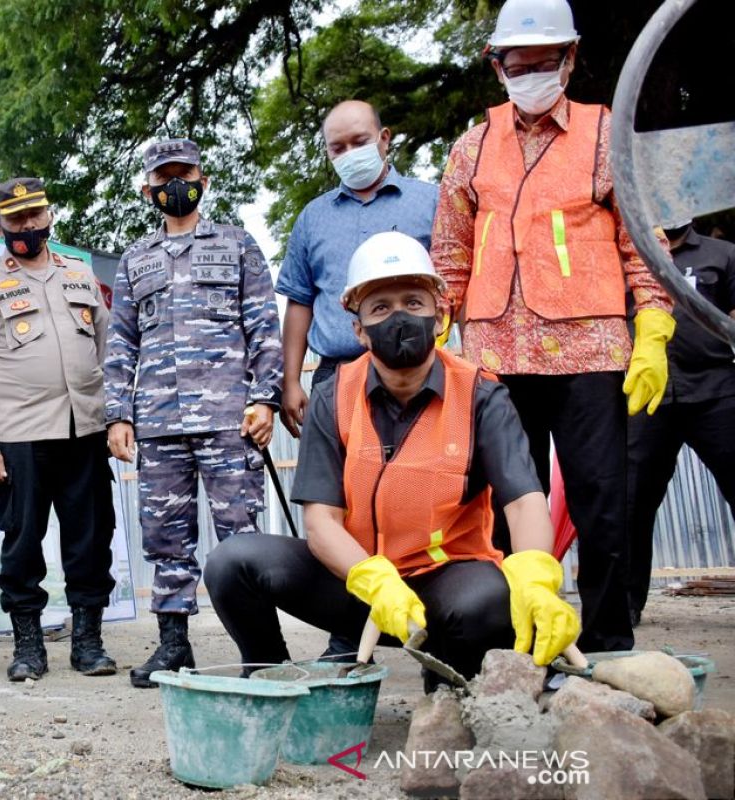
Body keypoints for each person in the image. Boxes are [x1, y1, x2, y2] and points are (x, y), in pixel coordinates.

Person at [204, 232, 581, 685]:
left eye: (414, 302)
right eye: (380, 307)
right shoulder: (333, 396)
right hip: (359, 582)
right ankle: (271, 681)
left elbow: (523, 500)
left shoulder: (481, 393)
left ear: (440, 315)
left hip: (447, 582)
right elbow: (322, 522)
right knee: (232, 562)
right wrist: (372, 579)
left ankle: (450, 680)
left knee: (490, 603)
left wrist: (538, 574)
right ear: (358, 329)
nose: (399, 316)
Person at [429, 0, 674, 652]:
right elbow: (449, 257)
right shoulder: (472, 147)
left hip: (589, 351)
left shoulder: (603, 134)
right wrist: (433, 333)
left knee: (603, 501)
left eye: (544, 61)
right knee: (509, 507)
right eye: (518, 63)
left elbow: (644, 247)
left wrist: (652, 331)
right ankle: (514, 645)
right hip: (496, 356)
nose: (531, 73)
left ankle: (606, 643)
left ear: (569, 59)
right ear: (497, 66)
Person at [104, 138, 283, 687]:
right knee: (165, 538)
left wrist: (264, 397)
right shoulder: (136, 259)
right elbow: (121, 343)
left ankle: (261, 648)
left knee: (241, 538)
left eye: (184, 174)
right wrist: (118, 413)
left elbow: (263, 328)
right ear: (147, 189)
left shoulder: (237, 244)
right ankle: (173, 647)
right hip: (158, 422)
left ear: (203, 180)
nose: (174, 185)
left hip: (230, 418)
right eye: (163, 177)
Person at [0, 177, 117, 681]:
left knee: (91, 539)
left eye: (34, 215)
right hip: (19, 434)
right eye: (15, 218)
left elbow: (109, 351)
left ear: (49, 215)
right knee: (22, 540)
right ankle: (28, 645)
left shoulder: (80, 275)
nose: (27, 226)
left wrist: (117, 418)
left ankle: (88, 641)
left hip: (85, 429)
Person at [276, 100, 439, 435]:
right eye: (338, 148)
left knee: (419, 480)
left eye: (360, 142)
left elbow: (455, 285)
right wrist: (290, 380)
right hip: (336, 375)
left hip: (418, 369)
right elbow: (299, 301)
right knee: (332, 483)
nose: (350, 153)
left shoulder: (431, 202)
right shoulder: (312, 218)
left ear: (384, 138)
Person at [627, 221, 735, 624]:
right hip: (645, 397)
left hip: (716, 388)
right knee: (630, 503)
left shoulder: (722, 255)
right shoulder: (629, 255)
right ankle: (625, 607)